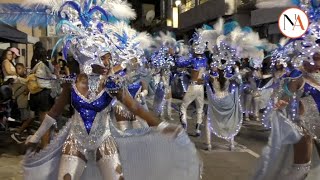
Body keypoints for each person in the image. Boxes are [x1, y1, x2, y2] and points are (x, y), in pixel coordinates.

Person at [28, 47, 57, 148]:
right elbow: (55, 75)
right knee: (46, 122)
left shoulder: (34, 64)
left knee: (43, 122)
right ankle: (45, 146)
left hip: (36, 94)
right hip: (45, 94)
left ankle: (44, 145)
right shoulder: (46, 64)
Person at [11, 63, 34, 144]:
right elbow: (15, 93)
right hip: (22, 102)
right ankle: (17, 133)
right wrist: (26, 87)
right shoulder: (17, 80)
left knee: (28, 118)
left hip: (27, 101)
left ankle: (27, 133)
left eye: (20, 68)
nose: (19, 70)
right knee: (28, 118)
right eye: (17, 69)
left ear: (24, 68)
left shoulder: (26, 78)